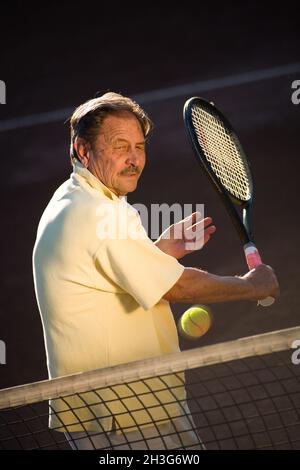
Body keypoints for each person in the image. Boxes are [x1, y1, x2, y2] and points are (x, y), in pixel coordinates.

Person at [32, 92, 279, 450]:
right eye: (119, 146)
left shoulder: (75, 198)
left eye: (139, 147)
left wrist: (158, 252)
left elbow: (104, 274)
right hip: (127, 412)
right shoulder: (99, 214)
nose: (134, 160)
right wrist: (252, 286)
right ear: (82, 151)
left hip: (113, 407)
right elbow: (177, 288)